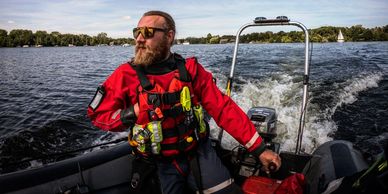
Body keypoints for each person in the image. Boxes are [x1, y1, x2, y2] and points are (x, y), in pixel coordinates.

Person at [87, 10, 281, 194]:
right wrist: (134, 112)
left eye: (147, 32)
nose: (139, 38)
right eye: (136, 32)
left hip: (198, 152)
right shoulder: (125, 75)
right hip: (156, 162)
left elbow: (224, 109)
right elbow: (97, 115)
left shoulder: (191, 70)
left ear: (169, 36)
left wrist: (260, 150)